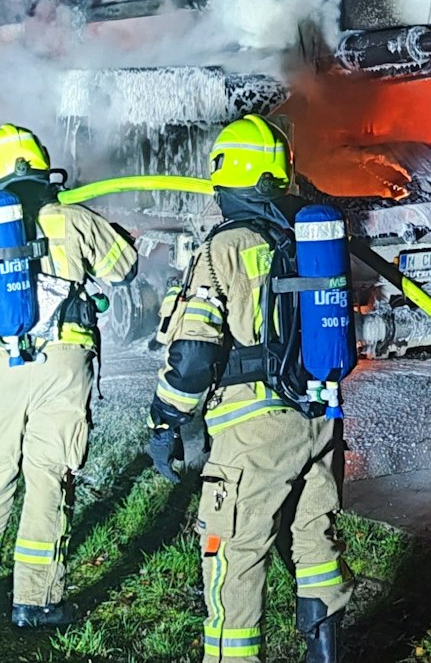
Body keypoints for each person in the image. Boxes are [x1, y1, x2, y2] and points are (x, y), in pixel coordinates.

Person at [148, 114, 352, 663]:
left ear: (225, 177)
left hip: (253, 433)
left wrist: (166, 419)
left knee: (233, 554)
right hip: (318, 416)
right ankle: (326, 652)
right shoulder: (304, 237)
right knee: (314, 537)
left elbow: (194, 355)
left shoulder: (224, 248)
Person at [0, 123, 137, 628]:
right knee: (48, 477)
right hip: (64, 363)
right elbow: (125, 269)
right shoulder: (74, 218)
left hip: (3, 362)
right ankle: (35, 599)